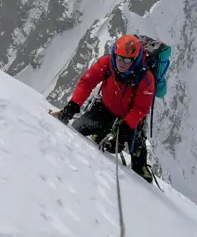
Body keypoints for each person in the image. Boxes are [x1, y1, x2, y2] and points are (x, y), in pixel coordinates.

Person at [52, 34, 157, 182]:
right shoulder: (107, 63)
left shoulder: (146, 78)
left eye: (127, 60)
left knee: (137, 158)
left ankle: (141, 168)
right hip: (106, 107)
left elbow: (140, 109)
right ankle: (101, 133)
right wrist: (73, 105)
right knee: (77, 129)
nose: (122, 63)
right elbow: (87, 83)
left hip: (130, 118)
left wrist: (122, 135)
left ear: (136, 59)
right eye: (119, 58)